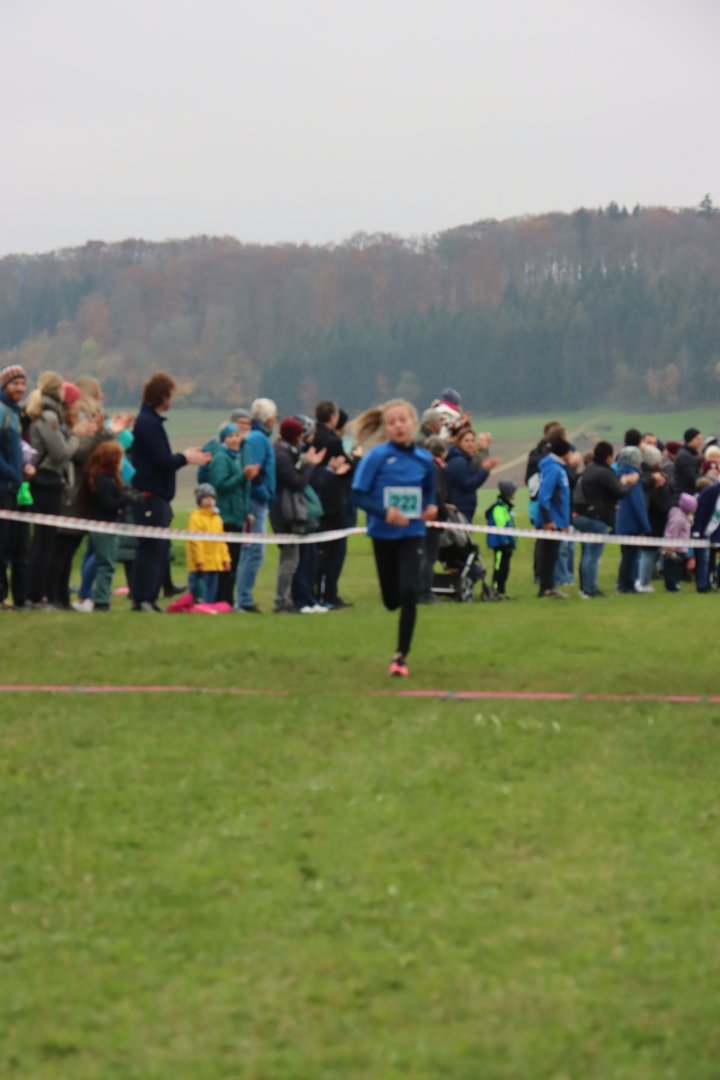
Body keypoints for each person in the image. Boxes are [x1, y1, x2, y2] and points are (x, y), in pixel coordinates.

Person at [352, 399, 437, 677]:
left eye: (403, 420)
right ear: (385, 429)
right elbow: (356, 495)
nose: (398, 426)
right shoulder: (376, 457)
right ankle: (397, 603)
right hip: (383, 534)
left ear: (413, 423)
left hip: (412, 533)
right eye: (392, 422)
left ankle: (400, 657)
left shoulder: (424, 459)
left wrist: (431, 508)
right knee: (391, 600)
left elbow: (429, 492)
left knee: (410, 591)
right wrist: (384, 512)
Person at [130, 371, 209, 612]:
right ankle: (143, 598)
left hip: (158, 496)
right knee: (151, 548)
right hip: (151, 496)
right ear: (162, 396)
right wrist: (185, 458)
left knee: (158, 549)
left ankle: (149, 597)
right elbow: (161, 461)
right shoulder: (148, 424)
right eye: (170, 396)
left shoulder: (150, 423)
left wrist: (183, 456)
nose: (171, 401)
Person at [270, 416, 328, 614]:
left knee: (294, 559)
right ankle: (283, 601)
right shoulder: (281, 455)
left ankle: (291, 600)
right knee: (289, 560)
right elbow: (296, 482)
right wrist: (309, 464)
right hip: (285, 513)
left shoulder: (287, 452)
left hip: (290, 509)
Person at [572, 440, 638, 599]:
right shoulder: (604, 472)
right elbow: (620, 492)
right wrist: (630, 483)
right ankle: (591, 589)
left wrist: (621, 483)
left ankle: (584, 587)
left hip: (582, 515)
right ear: (608, 457)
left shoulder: (590, 469)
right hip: (598, 518)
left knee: (586, 554)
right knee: (593, 556)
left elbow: (607, 489)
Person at [74, 440, 133, 612]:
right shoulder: (105, 480)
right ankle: (101, 600)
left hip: (99, 525)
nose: (122, 463)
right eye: (120, 459)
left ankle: (88, 595)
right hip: (104, 526)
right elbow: (108, 504)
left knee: (96, 559)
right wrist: (126, 500)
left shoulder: (98, 477)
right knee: (106, 564)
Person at [235, 398, 277, 613]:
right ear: (268, 418)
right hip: (256, 502)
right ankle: (244, 599)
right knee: (254, 551)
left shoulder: (256, 437)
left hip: (258, 499)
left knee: (251, 551)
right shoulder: (258, 439)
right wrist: (266, 494)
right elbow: (255, 473)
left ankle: (243, 597)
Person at [312, 400, 354, 608]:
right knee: (335, 550)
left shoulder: (313, 436)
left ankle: (315, 590)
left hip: (315, 499)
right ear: (333, 417)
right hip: (332, 501)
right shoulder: (333, 441)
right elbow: (348, 468)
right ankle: (329, 594)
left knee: (319, 549)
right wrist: (356, 459)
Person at [0, 364, 34, 610]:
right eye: (15, 383)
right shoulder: (2, 411)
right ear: (4, 386)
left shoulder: (16, 413)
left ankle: (20, 597)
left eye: (23, 384)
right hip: (3, 487)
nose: (20, 388)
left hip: (15, 487)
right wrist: (13, 473)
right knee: (1, 545)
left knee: (18, 544)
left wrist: (24, 467)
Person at [209, 423, 255, 605]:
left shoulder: (236, 458)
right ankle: (222, 598)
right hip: (226, 515)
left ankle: (227, 598)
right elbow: (220, 485)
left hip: (237, 514)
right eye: (230, 436)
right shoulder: (221, 458)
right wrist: (242, 476)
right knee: (227, 560)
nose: (235, 439)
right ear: (223, 439)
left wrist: (246, 511)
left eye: (237, 435)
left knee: (234, 560)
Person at [533, 436, 572, 598]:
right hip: (552, 521)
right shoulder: (554, 469)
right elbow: (544, 496)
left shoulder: (557, 468)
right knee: (549, 555)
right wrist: (548, 520)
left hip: (559, 519)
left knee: (552, 555)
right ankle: (546, 588)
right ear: (565, 453)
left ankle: (549, 587)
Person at [614, 446, 651, 594]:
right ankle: (626, 584)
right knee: (631, 556)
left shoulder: (619, 474)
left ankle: (623, 583)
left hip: (622, 521)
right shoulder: (633, 476)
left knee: (626, 554)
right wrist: (645, 526)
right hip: (632, 523)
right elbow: (638, 503)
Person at [186, 483, 231, 603]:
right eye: (206, 498)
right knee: (198, 592)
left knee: (211, 592)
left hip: (214, 564)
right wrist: (200, 561)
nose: (209, 501)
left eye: (212, 498)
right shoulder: (195, 518)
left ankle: (208, 607)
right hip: (200, 565)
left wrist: (226, 559)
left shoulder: (217, 519)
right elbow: (196, 542)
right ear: (199, 500)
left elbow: (222, 542)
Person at [444, 428, 499, 522]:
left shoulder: (466, 459)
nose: (470, 444)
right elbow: (469, 484)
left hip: (464, 508)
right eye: (466, 441)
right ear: (459, 442)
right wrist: (485, 470)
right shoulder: (458, 462)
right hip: (458, 509)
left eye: (472, 440)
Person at [485, 480, 517, 599]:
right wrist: (505, 542)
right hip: (500, 544)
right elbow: (500, 526)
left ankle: (501, 590)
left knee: (505, 568)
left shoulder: (506, 507)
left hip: (506, 543)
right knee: (498, 567)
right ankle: (495, 590)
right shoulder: (499, 508)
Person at [662, 493, 697, 592]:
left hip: (682, 548)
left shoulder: (684, 515)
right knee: (672, 568)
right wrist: (669, 548)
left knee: (678, 568)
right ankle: (672, 586)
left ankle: (676, 583)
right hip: (675, 549)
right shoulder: (678, 519)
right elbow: (671, 533)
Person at [673, 428, 703, 496]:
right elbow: (691, 478)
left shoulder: (689, 454)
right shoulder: (685, 456)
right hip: (686, 493)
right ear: (691, 439)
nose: (700, 441)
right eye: (698, 439)